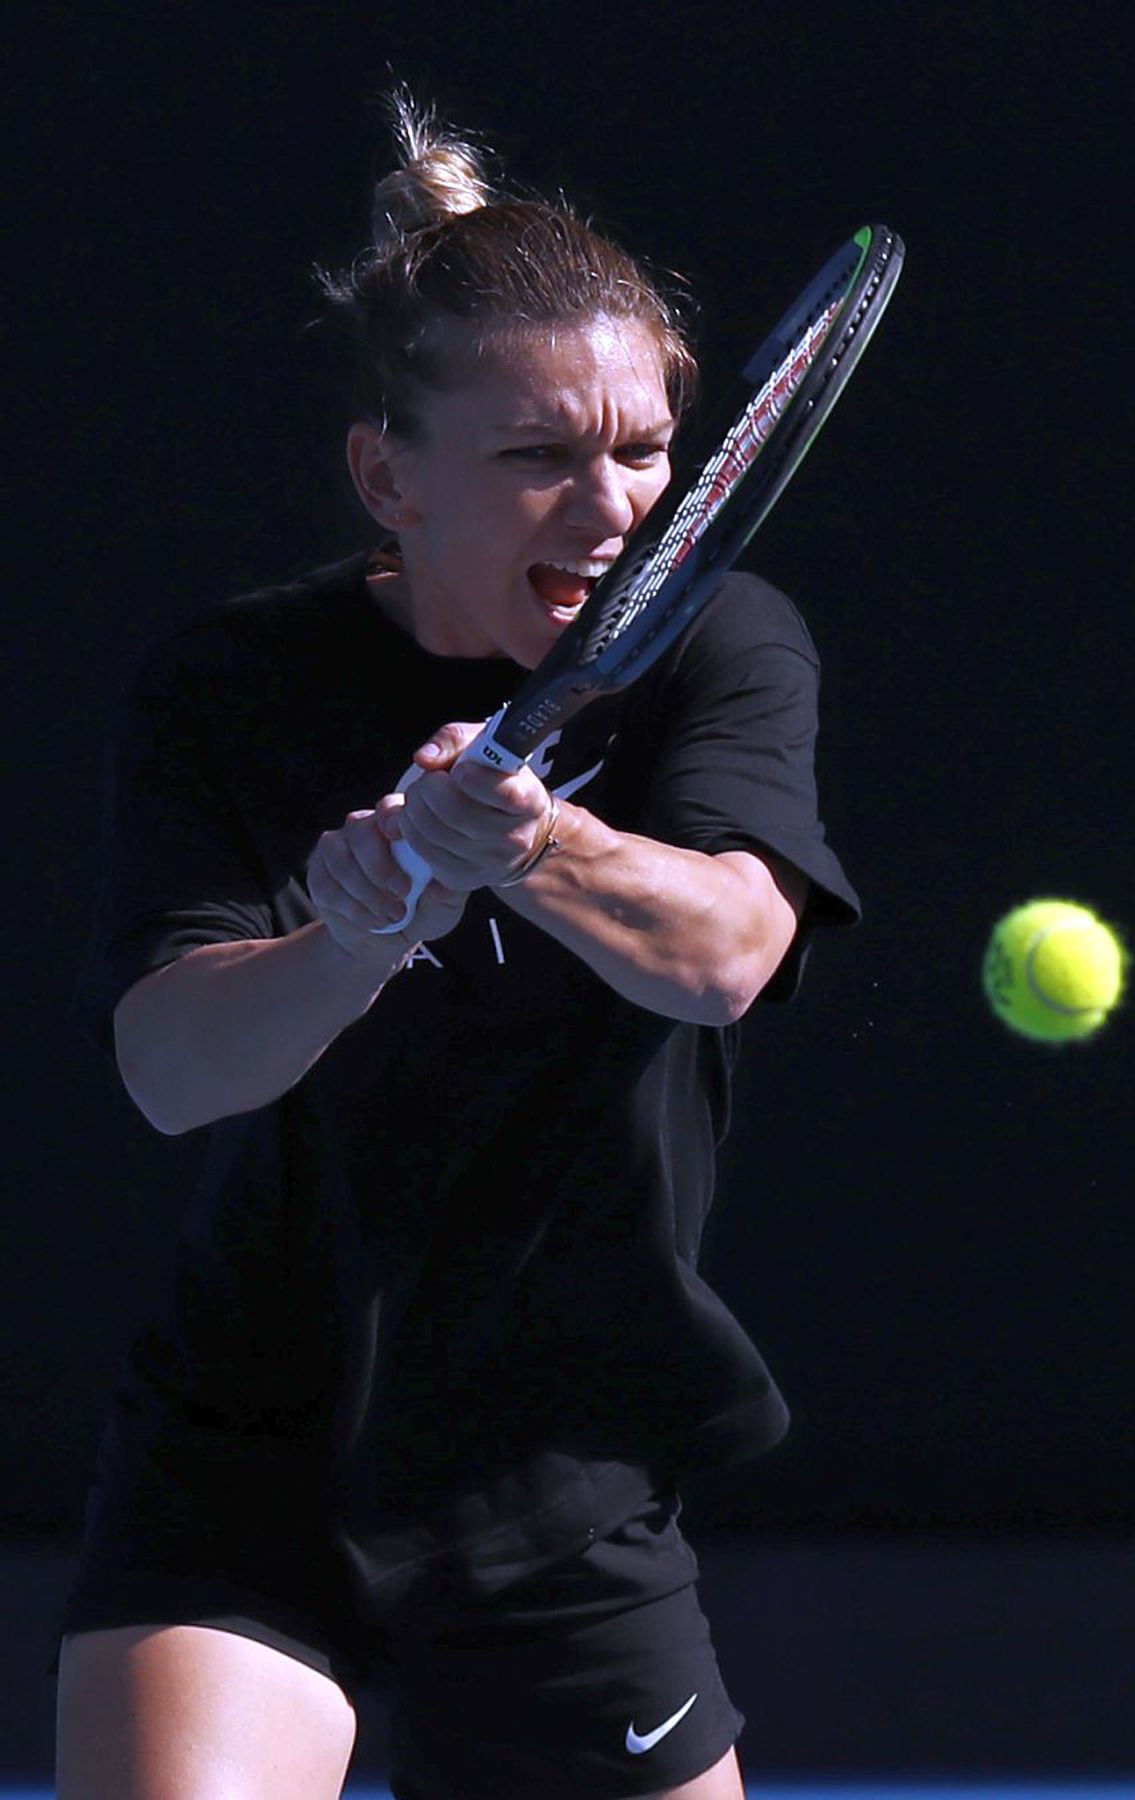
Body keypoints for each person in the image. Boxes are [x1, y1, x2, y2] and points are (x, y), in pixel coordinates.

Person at [56, 90, 861, 1800]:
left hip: (562, 1487)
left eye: (645, 450)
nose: (615, 503)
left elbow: (722, 951)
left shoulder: (730, 651)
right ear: (387, 476)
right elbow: (170, 1071)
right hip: (246, 1468)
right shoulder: (229, 687)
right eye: (540, 456)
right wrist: (356, 927)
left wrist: (534, 843)